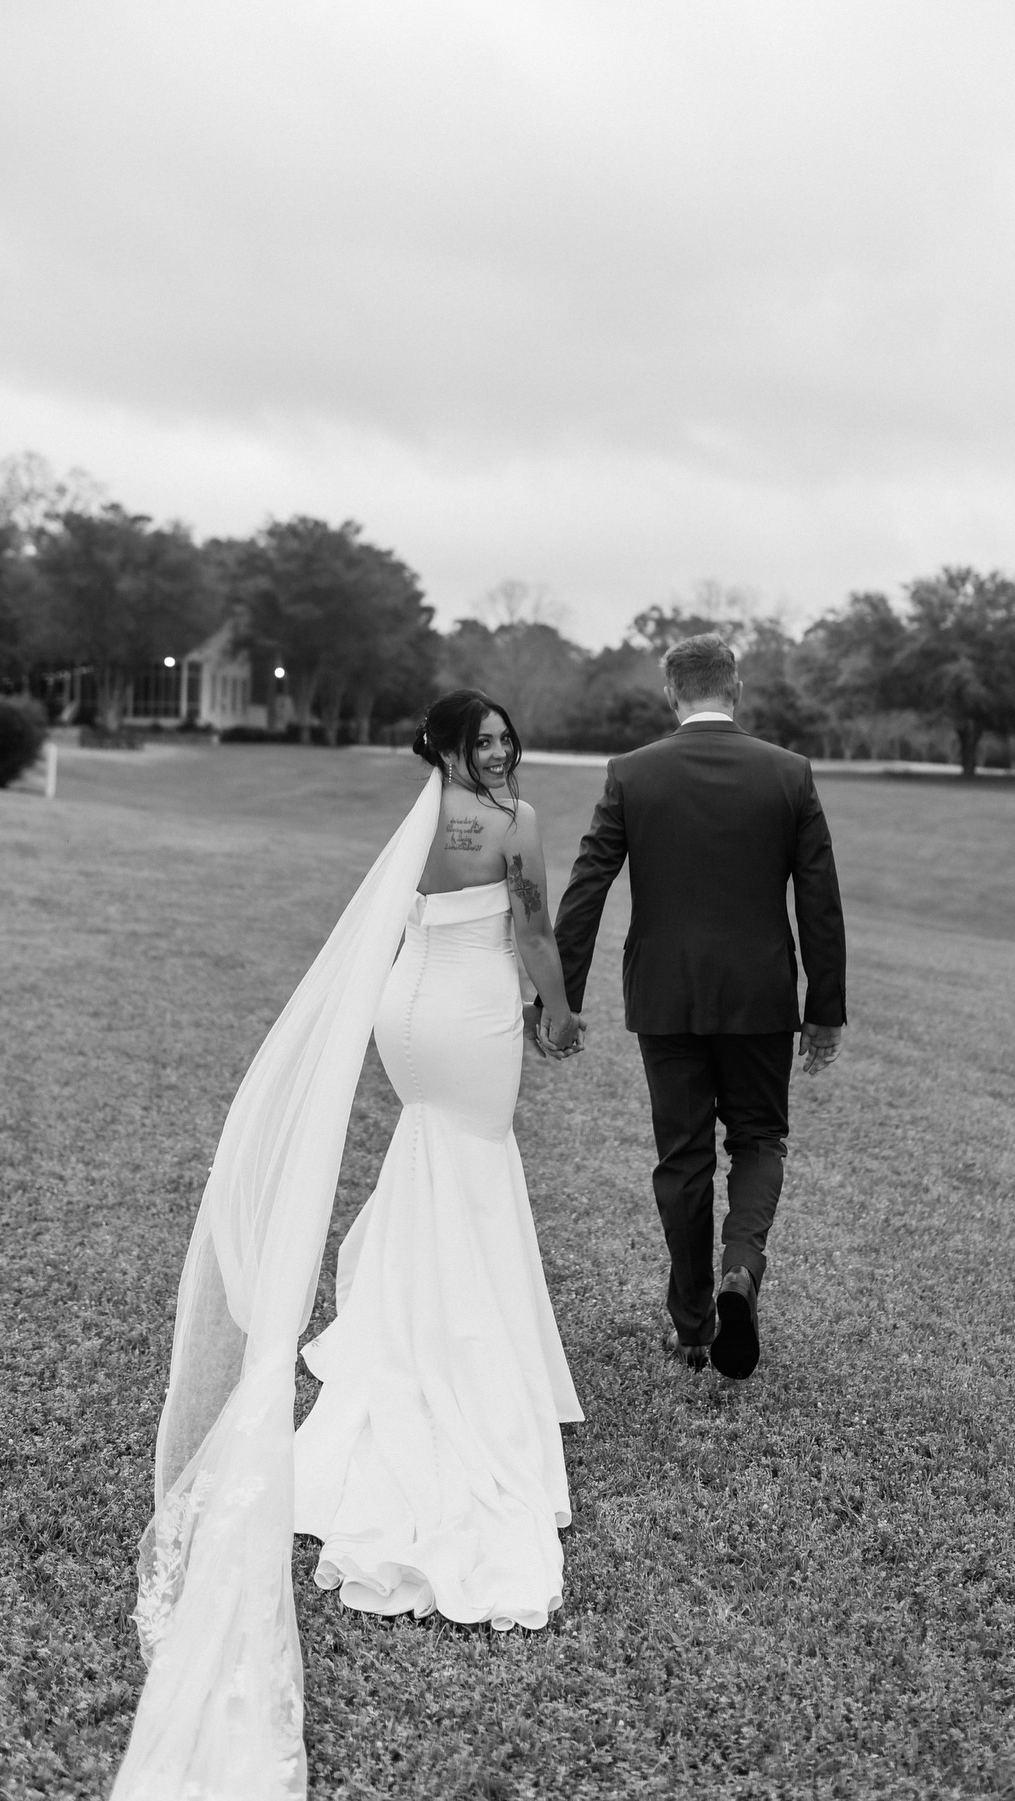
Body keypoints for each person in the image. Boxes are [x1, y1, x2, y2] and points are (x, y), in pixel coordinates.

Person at [112, 692, 584, 1801]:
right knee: (471, 1159)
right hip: (468, 1012)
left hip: (404, 1011)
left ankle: (412, 1312)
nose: (504, 752)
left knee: (434, 1154)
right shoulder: (512, 824)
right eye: (488, 741)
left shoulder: (421, 822)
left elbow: (399, 926)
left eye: (507, 738)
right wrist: (557, 1014)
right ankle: (467, 1344)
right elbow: (531, 931)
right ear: (454, 750)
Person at [548, 633, 846, 1380]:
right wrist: (826, 1008)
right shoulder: (790, 774)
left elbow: (587, 888)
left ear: (670, 692)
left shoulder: (632, 773)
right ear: (735, 686)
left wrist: (562, 998)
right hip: (761, 996)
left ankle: (692, 1327)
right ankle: (740, 1266)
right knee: (758, 1139)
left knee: (682, 1160)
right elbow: (820, 901)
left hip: (667, 995)